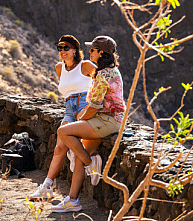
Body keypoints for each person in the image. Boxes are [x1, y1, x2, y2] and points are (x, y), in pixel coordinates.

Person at [51, 35, 125, 213]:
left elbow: (94, 106)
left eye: (92, 50)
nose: (89, 52)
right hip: (107, 120)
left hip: (106, 121)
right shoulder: (109, 71)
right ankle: (73, 200)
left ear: (101, 53)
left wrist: (79, 120)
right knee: (78, 155)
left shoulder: (103, 74)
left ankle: (90, 162)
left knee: (64, 132)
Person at [29, 35, 96, 200]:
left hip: (84, 105)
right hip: (68, 108)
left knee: (71, 139)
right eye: (60, 48)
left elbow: (105, 80)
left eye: (66, 48)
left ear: (75, 50)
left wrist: (94, 104)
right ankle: (46, 186)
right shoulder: (59, 68)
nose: (63, 51)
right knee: (59, 147)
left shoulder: (85, 65)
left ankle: (87, 163)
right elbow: (67, 89)